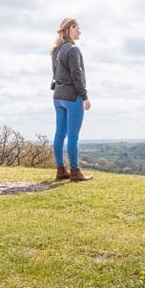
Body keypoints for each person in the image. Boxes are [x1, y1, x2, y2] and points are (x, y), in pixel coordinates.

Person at [50, 17, 93, 182]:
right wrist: (85, 96)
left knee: (59, 134)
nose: (80, 31)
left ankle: (61, 170)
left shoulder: (56, 50)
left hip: (58, 96)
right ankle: (75, 172)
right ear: (70, 30)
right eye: (77, 28)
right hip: (72, 96)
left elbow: (55, 74)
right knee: (73, 136)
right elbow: (77, 75)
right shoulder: (73, 50)